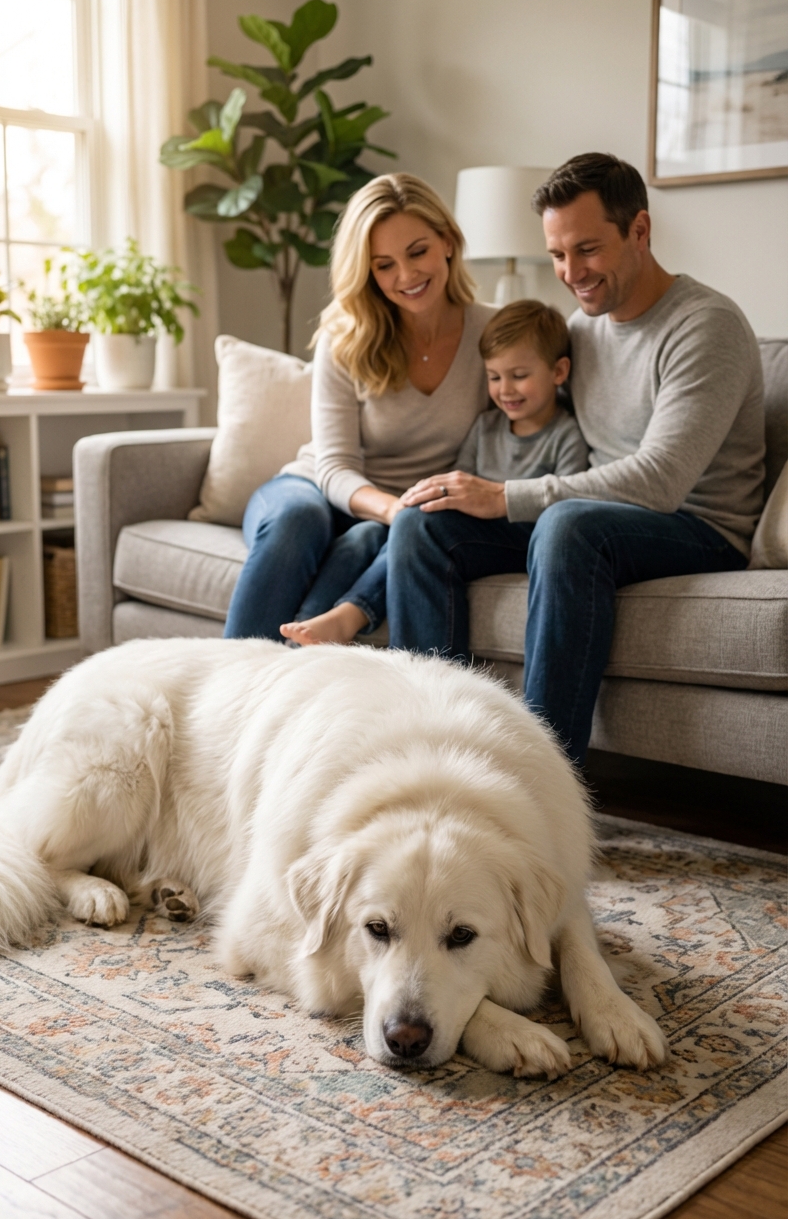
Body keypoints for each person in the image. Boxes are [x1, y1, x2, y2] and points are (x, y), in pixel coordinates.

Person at [390, 152, 765, 767]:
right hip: (598, 523)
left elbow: (660, 481)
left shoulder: (706, 326)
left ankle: (541, 782)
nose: (570, 272)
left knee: (568, 524)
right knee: (423, 523)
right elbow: (532, 419)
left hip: (697, 529)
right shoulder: (580, 331)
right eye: (558, 255)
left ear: (639, 232)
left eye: (586, 250)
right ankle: (431, 757)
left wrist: (505, 496)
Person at [222, 173, 495, 642]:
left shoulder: (494, 332)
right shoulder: (347, 335)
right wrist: (395, 510)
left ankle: (296, 658)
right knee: (297, 519)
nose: (406, 277)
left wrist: (407, 517)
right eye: (384, 265)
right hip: (315, 490)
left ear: (447, 241)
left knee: (389, 537)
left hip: (405, 516)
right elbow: (333, 467)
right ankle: (227, 678)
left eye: (417, 252)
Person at [280, 299, 589, 645]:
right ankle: (309, 632)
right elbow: (458, 483)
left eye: (519, 376)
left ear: (559, 373)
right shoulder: (485, 427)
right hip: (469, 533)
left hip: (520, 538)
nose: (505, 390)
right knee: (385, 530)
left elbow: (564, 502)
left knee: (413, 528)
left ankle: (350, 613)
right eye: (493, 377)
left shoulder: (567, 436)